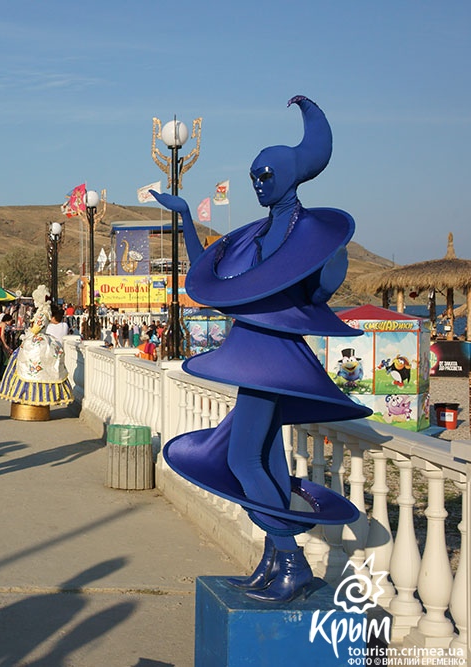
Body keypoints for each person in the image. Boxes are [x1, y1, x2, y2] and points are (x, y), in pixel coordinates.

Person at [151, 96, 371, 602]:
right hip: (250, 355)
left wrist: (325, 278)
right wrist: (185, 217)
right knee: (265, 456)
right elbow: (213, 275)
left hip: (272, 359)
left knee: (243, 456)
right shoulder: (252, 234)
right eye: (254, 175)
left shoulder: (310, 233)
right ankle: (273, 563)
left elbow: (313, 296)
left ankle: (289, 561)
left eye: (266, 174)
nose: (258, 183)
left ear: (291, 174)